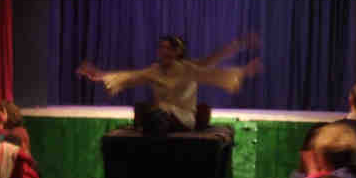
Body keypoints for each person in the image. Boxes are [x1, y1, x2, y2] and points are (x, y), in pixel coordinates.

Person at [76, 33, 262, 135]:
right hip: (160, 116)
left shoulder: (188, 68)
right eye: (161, 48)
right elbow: (129, 77)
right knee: (154, 113)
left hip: (183, 117)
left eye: (168, 48)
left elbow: (212, 73)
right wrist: (98, 75)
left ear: (176, 52)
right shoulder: (154, 70)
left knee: (158, 113)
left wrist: (243, 70)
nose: (163, 51)